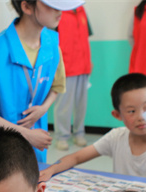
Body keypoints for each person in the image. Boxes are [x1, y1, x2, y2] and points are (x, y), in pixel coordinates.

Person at [40, 73, 146, 192]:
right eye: (131, 111)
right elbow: (75, 157)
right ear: (117, 115)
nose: (141, 117)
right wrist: (51, 169)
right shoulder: (116, 137)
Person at [0, 0, 85, 164]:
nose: (59, 11)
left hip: (34, 143)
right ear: (27, 7)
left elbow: (57, 87)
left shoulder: (52, 45)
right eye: (50, 6)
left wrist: (43, 109)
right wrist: (26, 134)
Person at [53, 5, 92, 150]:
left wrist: (89, 61)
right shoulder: (57, 11)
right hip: (66, 66)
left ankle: (79, 133)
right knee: (63, 105)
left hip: (83, 65)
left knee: (81, 104)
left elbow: (86, 39)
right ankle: (62, 136)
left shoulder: (81, 10)